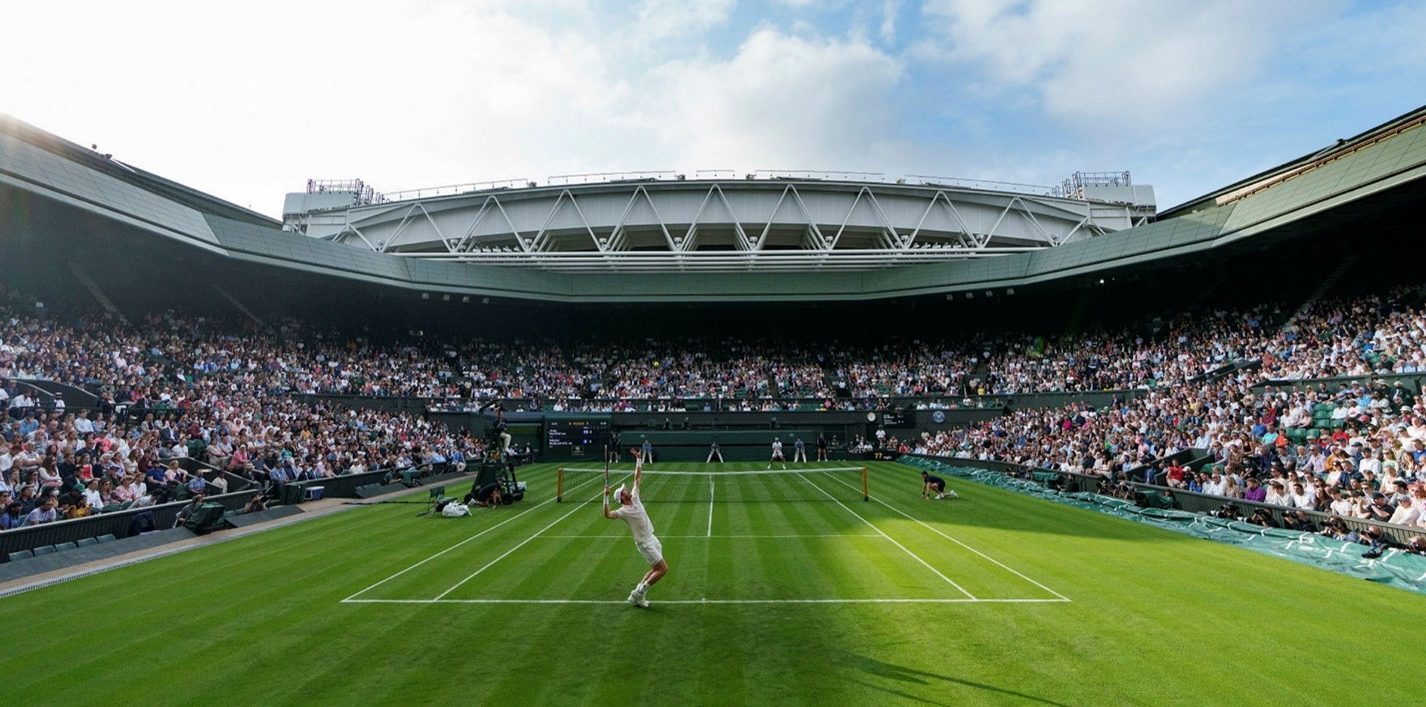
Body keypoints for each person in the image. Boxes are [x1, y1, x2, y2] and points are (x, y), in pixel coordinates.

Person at [604, 449, 668, 608]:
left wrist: (639, 460)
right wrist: (605, 496)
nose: (628, 489)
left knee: (655, 568)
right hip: (644, 543)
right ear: (622, 497)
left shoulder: (635, 496)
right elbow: (607, 515)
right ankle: (638, 593)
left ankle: (638, 595)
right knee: (663, 569)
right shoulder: (623, 511)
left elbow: (637, 477)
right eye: (625, 490)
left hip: (652, 537)